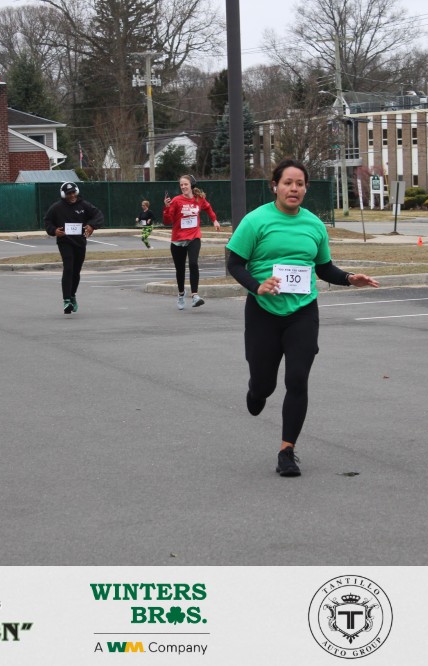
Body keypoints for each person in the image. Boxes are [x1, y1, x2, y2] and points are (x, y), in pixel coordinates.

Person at [226, 158, 380, 478]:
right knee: (264, 384)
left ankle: (287, 451)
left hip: (303, 312)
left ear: (306, 189)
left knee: (297, 379)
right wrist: (257, 286)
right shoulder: (256, 221)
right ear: (275, 186)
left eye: (299, 184)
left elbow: (323, 268)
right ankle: (256, 391)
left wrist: (349, 278)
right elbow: (235, 263)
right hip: (263, 312)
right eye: (287, 183)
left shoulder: (314, 225)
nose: (293, 188)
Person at [43, 182, 103, 314]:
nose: (71, 196)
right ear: (63, 194)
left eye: (73, 192)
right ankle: (66, 300)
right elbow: (47, 221)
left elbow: (98, 215)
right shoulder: (56, 207)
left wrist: (92, 225)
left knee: (76, 271)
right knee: (68, 268)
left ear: (77, 192)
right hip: (65, 241)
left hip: (80, 242)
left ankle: (72, 295)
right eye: (68, 193)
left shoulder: (84, 205)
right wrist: (54, 231)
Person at [163, 175, 220, 309]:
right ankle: (181, 294)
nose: (183, 187)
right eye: (181, 185)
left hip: (194, 237)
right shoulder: (176, 200)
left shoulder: (199, 199)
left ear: (191, 185)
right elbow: (167, 221)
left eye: (185, 184)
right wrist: (166, 207)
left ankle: (195, 296)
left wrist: (214, 220)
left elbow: (208, 208)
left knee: (193, 263)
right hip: (178, 240)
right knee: (180, 269)